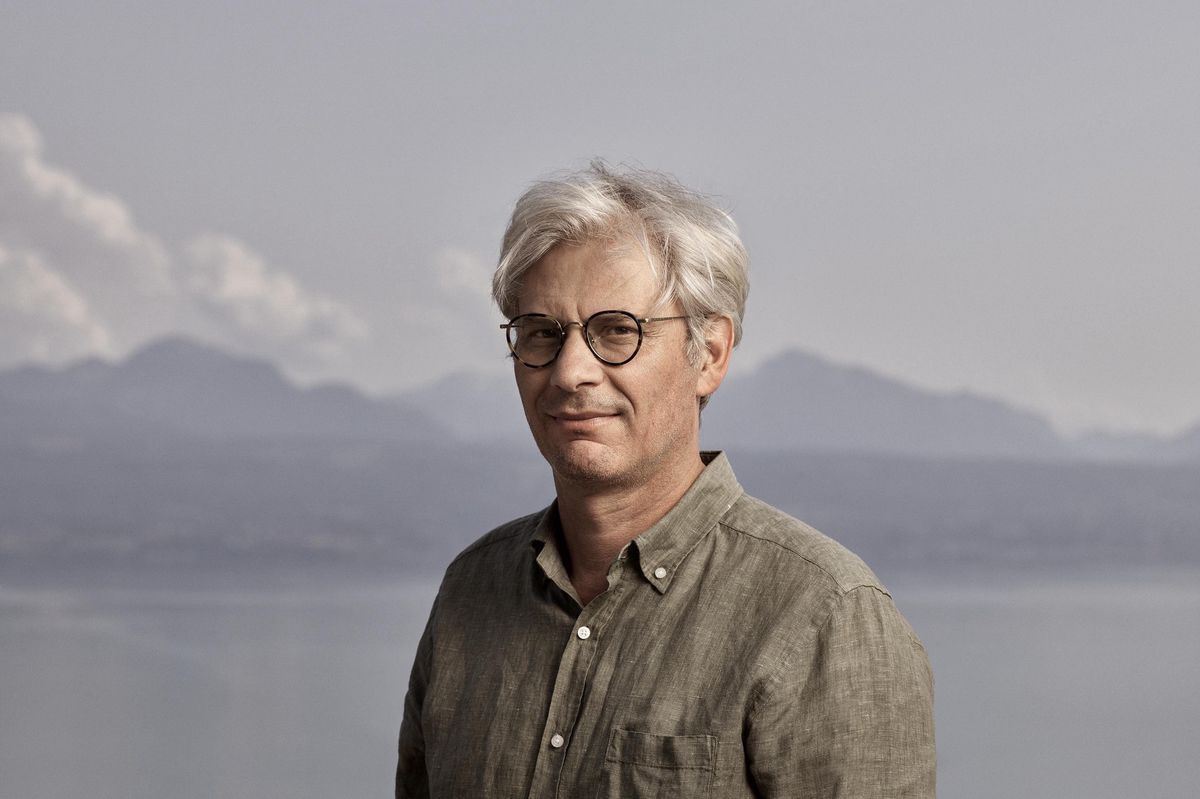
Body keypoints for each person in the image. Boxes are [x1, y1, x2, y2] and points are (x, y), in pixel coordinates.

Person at [396, 163, 936, 797]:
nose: (571, 372)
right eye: (542, 334)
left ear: (709, 356)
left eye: (617, 331)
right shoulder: (470, 590)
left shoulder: (822, 615)